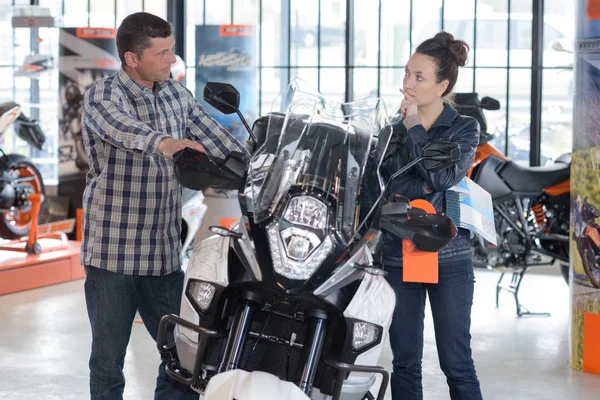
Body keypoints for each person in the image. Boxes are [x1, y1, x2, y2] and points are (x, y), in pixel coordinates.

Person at [80, 12, 246, 400]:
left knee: (186, 352)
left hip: (163, 254)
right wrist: (165, 142)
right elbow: (121, 127)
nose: (172, 60)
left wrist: (260, 163)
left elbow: (216, 137)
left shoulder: (175, 93)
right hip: (111, 255)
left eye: (172, 51)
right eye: (163, 53)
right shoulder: (104, 95)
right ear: (131, 58)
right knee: (107, 362)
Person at [380, 31, 483, 400]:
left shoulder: (464, 128)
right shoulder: (389, 130)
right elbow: (383, 189)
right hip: (399, 252)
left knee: (457, 363)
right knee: (404, 362)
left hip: (449, 257)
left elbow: (441, 177)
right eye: (407, 73)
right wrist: (422, 187)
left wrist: (413, 129)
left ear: (443, 85)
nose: (407, 83)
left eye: (419, 77)